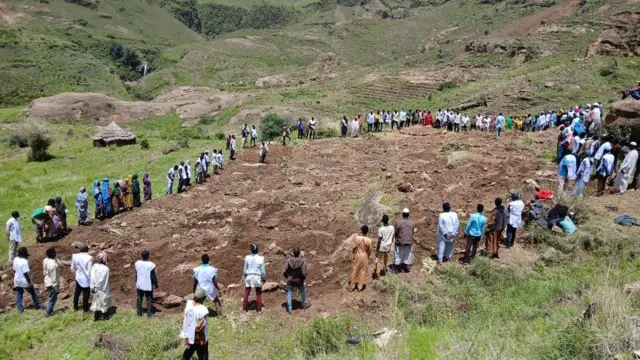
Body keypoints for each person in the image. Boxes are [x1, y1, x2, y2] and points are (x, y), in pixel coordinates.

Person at [180, 289, 209, 360]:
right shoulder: (203, 310)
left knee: (190, 350)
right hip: (199, 336)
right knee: (203, 353)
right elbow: (200, 326)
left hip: (189, 334)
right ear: (203, 298)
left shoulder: (189, 305)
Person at [13, 247, 40, 313]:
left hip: (17, 280)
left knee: (19, 294)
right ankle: (38, 306)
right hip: (24, 281)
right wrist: (29, 283)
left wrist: (16, 277)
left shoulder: (15, 259)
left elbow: (14, 270)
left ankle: (20, 309)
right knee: (33, 293)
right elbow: (25, 274)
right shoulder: (24, 262)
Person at [346, 225, 372, 291]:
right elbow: (369, 250)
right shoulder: (369, 240)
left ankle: (352, 286)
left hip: (358, 256)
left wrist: (353, 253)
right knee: (363, 271)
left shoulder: (357, 238)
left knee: (355, 270)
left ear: (361, 231)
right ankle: (360, 287)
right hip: (365, 256)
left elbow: (354, 247)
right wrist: (367, 256)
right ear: (367, 232)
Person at [283, 247, 309, 313]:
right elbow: (304, 273)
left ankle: (289, 309)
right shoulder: (303, 262)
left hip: (290, 280)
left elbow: (284, 271)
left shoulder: (288, 261)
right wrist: (302, 279)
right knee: (303, 290)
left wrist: (287, 277)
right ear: (299, 253)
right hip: (299, 280)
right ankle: (303, 304)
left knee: (289, 292)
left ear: (293, 253)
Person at [242, 244, 266, 312]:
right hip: (257, 277)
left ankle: (244, 308)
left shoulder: (247, 257)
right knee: (258, 292)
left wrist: (244, 276)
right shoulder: (261, 258)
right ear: (257, 250)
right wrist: (264, 278)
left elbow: (245, 269)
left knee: (247, 291)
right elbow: (263, 271)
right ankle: (259, 309)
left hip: (249, 276)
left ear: (251, 250)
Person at [135, 250, 158, 318]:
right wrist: (156, 284)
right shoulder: (150, 265)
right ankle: (149, 314)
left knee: (139, 298)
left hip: (139, 284)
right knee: (149, 299)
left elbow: (137, 274)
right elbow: (153, 276)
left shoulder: (138, 263)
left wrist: (136, 281)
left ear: (141, 256)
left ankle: (139, 313)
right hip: (147, 284)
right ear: (148, 256)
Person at [90, 252, 112, 321]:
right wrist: (97, 286)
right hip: (103, 288)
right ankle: (104, 316)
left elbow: (92, 277)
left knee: (96, 301)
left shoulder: (94, 266)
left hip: (95, 288)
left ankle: (96, 316)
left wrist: (93, 287)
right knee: (103, 301)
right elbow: (102, 280)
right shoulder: (105, 269)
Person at [71, 244, 93, 313]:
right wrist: (92, 279)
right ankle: (86, 309)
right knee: (86, 294)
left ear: (79, 249)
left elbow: (72, 268)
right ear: (87, 249)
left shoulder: (75, 256)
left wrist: (75, 276)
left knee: (77, 293)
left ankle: (75, 307)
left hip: (78, 277)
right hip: (86, 279)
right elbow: (89, 271)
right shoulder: (89, 258)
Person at [374, 214, 394, 279]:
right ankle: (385, 270)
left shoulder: (381, 229)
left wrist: (377, 250)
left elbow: (379, 240)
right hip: (388, 246)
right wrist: (390, 245)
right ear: (388, 220)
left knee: (379, 260)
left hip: (381, 246)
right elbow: (392, 237)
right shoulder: (392, 227)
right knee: (386, 258)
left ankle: (378, 274)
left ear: (383, 221)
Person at [43, 247, 60, 317]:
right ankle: (48, 312)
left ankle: (51, 310)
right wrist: (56, 287)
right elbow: (54, 277)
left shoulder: (45, 260)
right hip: (52, 283)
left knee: (51, 297)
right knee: (53, 298)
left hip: (47, 280)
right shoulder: (54, 265)